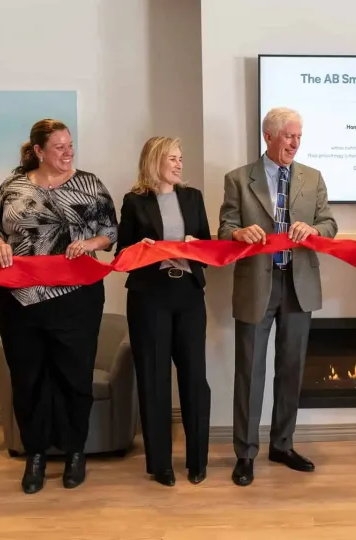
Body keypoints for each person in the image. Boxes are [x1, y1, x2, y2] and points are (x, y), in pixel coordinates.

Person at [0, 119, 117, 494]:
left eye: (70, 145)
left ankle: (76, 452)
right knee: (28, 379)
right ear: (39, 151)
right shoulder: (13, 186)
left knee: (74, 378)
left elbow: (111, 233)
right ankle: (36, 454)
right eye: (59, 147)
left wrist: (90, 245)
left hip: (75, 298)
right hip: (18, 299)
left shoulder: (90, 185)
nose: (67, 153)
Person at [218, 107, 338, 486]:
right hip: (257, 284)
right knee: (250, 372)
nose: (295, 143)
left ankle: (282, 445)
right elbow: (224, 228)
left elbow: (330, 225)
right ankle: (245, 453)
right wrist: (237, 234)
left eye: (299, 136)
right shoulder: (238, 179)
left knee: (291, 369)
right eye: (288, 136)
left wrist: (313, 229)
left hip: (299, 284)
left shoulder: (313, 178)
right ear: (268, 136)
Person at [116, 136, 211, 487]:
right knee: (154, 379)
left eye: (180, 157)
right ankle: (161, 465)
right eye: (172, 157)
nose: (179, 163)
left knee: (194, 379)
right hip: (149, 297)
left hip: (187, 293)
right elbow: (121, 256)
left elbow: (207, 245)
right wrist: (139, 249)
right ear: (155, 160)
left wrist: (196, 246)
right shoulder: (133, 201)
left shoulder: (193, 197)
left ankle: (198, 461)